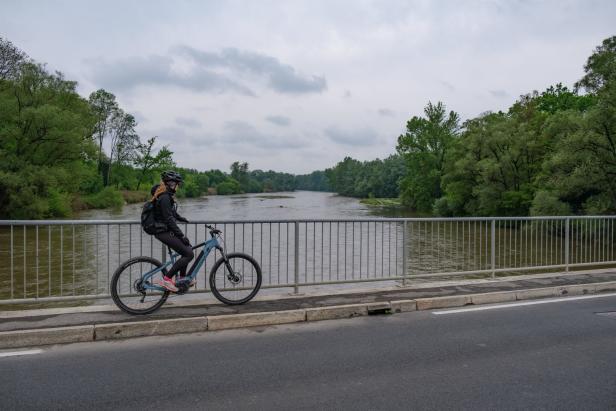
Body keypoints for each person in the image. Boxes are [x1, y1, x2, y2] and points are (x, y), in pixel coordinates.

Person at [151, 170, 194, 292]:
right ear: (171, 183)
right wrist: (181, 235)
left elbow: (171, 213)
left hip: (164, 230)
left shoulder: (166, 196)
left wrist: (180, 218)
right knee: (188, 254)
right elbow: (169, 219)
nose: (178, 186)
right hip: (162, 231)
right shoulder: (164, 197)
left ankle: (182, 278)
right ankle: (167, 279)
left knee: (187, 249)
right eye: (177, 184)